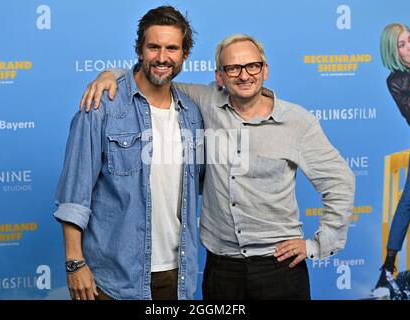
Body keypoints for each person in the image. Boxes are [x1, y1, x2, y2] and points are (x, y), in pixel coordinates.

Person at [80, 34, 355, 299]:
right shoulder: (203, 101)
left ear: (265, 70)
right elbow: (153, 78)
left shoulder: (298, 122)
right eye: (233, 68)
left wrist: (317, 244)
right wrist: (109, 75)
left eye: (252, 66)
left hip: (279, 268)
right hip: (221, 270)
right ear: (219, 76)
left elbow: (340, 181)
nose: (244, 75)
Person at [54, 6, 203, 300]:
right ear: (139, 49)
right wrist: (75, 263)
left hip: (177, 276)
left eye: (172, 48)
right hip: (112, 281)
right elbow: (74, 194)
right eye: (154, 47)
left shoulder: (192, 114)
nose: (162, 57)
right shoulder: (102, 105)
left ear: (184, 55)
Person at [375, 23, 410, 296]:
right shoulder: (395, 81)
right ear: (393, 52)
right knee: (408, 198)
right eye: (401, 45)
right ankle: (388, 266)